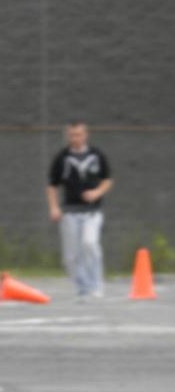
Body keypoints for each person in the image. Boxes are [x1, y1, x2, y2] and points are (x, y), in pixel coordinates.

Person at [47, 122, 113, 298]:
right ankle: (83, 286)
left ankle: (96, 285)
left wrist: (97, 192)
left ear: (85, 135)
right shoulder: (62, 158)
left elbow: (107, 180)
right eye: (71, 135)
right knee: (71, 256)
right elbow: (52, 185)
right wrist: (54, 207)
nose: (74, 138)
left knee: (90, 244)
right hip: (70, 212)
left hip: (92, 212)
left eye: (78, 134)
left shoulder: (96, 155)